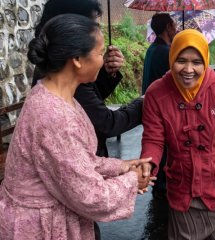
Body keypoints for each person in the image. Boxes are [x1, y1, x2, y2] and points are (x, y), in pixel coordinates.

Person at [0, 14, 154, 240]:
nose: (103, 60)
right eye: (100, 53)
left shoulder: (52, 94)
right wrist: (132, 180)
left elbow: (76, 161)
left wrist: (120, 167)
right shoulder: (54, 116)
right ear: (77, 59)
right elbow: (90, 195)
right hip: (41, 228)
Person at [141, 29, 215, 239]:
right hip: (183, 190)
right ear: (171, 58)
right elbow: (154, 139)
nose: (188, 69)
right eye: (181, 60)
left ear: (206, 61)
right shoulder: (156, 93)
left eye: (197, 62)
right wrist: (148, 166)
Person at [32, 0, 143, 157]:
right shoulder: (54, 105)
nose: (101, 59)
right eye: (99, 53)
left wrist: (104, 71)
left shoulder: (54, 74)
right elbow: (104, 124)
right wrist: (145, 102)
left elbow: (90, 103)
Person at [142, 13, 176, 199]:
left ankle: (160, 183)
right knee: (163, 144)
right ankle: (162, 186)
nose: (177, 27)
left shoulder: (153, 48)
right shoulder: (166, 52)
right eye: (174, 24)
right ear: (167, 28)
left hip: (150, 103)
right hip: (161, 106)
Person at [142, 13, 177, 94]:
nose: (176, 30)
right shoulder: (166, 52)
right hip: (158, 101)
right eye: (175, 26)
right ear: (168, 27)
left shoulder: (151, 48)